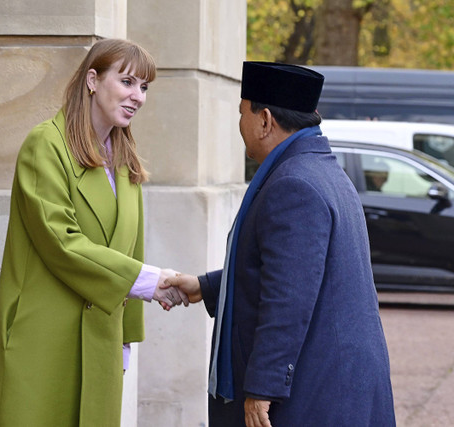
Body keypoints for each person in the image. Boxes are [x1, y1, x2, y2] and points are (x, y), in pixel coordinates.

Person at [164, 61, 396, 426]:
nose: (240, 125)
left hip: (311, 394)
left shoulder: (295, 184)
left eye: (242, 113)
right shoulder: (319, 168)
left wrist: (261, 390)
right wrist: (204, 286)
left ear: (265, 120)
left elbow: (288, 296)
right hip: (334, 385)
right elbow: (291, 268)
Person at [0, 39, 188, 427]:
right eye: (127, 82)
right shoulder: (45, 145)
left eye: (144, 87)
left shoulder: (126, 162)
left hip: (100, 341)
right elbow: (61, 240)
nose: (138, 96)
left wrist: (124, 343)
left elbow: (131, 248)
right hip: (42, 339)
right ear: (92, 80)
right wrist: (151, 282)